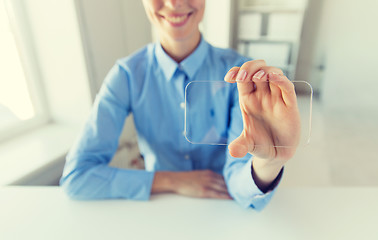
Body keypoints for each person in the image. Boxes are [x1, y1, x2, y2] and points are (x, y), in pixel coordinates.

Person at [60, 0, 300, 211]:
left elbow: (238, 184)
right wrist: (171, 180)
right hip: (161, 209)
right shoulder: (126, 75)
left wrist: (269, 162)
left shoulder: (242, 75)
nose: (174, 3)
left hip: (223, 208)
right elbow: (77, 177)